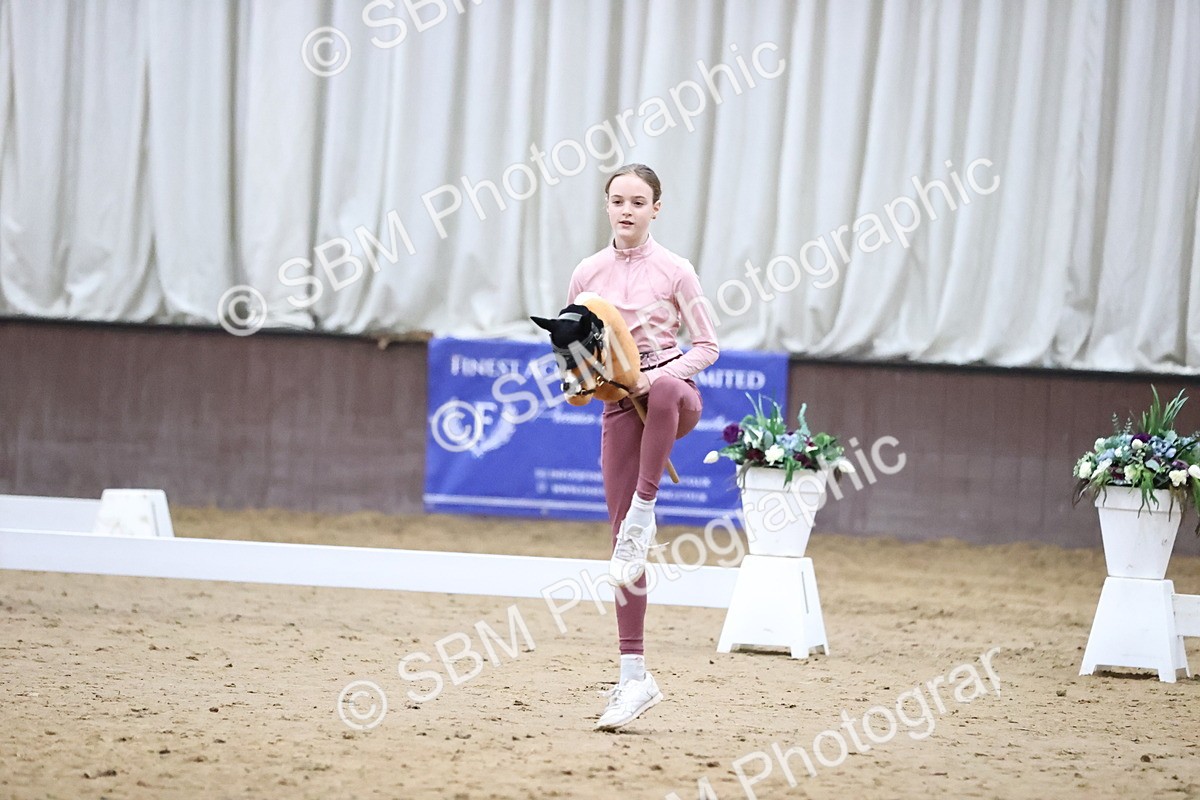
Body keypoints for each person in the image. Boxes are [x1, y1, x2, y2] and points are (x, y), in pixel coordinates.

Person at [565, 163, 720, 731]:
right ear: (606, 206)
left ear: (657, 208)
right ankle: (634, 677)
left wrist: (657, 375)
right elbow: (576, 348)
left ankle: (646, 508)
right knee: (621, 553)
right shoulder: (587, 273)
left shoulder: (676, 270)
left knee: (668, 388)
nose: (626, 210)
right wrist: (582, 379)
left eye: (638, 201)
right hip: (618, 406)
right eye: (617, 200)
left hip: (675, 397)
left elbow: (707, 345)